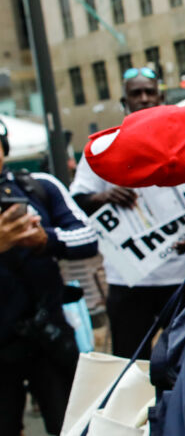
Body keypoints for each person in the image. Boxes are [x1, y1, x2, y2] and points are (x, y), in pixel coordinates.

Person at [70, 67, 185, 359]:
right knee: (127, 365)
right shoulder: (103, 146)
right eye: (135, 93)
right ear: (124, 101)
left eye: (149, 92)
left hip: (181, 275)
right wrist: (103, 195)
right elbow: (77, 199)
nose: (143, 98)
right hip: (128, 278)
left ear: (161, 97)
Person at [0, 118, 98, 436]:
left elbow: (88, 237)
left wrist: (46, 240)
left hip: (50, 337)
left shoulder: (39, 185)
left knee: (71, 426)